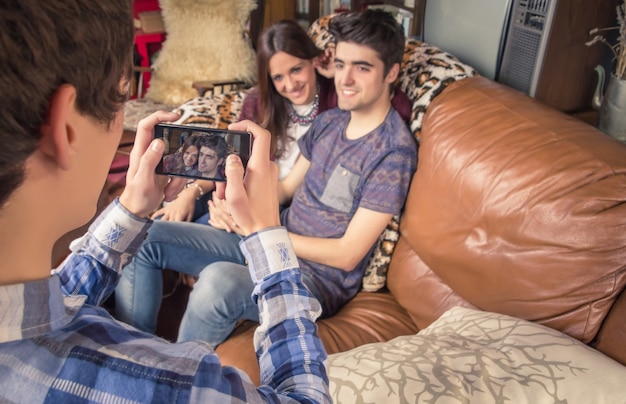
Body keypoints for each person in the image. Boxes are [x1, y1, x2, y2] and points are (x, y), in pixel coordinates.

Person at [0, 1, 330, 402]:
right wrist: (265, 232)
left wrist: (131, 208)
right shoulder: (169, 387)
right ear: (66, 128)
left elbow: (59, 301)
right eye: (122, 94)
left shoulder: (26, 316)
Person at [116, 8, 418, 347]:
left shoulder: (394, 152)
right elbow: (286, 189)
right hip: (267, 240)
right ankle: (133, 354)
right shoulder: (329, 122)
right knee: (143, 236)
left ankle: (176, 384)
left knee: (218, 281)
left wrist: (259, 230)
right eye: (342, 64)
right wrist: (233, 202)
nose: (345, 79)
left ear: (392, 72)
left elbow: (348, 254)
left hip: (313, 278)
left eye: (362, 68)